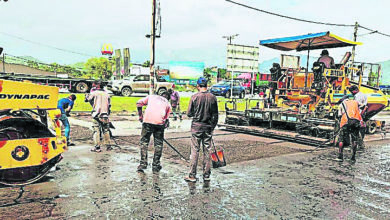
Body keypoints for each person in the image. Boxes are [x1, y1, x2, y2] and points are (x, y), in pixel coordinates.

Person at [184, 77, 219, 182]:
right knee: (207, 151)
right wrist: (212, 127)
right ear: (207, 86)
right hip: (208, 127)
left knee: (195, 150)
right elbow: (215, 115)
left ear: (198, 86)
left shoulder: (194, 97)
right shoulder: (213, 98)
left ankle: (192, 175)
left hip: (196, 127)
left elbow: (189, 113)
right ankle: (206, 175)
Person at [136, 91, 171, 173]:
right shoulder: (167, 104)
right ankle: (155, 165)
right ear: (168, 98)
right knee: (158, 144)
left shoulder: (151, 97)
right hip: (159, 124)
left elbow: (138, 103)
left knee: (144, 142)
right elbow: (166, 120)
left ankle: (143, 164)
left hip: (147, 121)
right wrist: (164, 125)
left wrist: (140, 115)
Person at [85, 81, 112, 153]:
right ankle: (108, 146)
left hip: (96, 114)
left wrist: (86, 96)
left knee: (96, 131)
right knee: (106, 130)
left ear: (98, 85)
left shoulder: (94, 93)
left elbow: (87, 99)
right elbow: (109, 105)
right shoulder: (107, 94)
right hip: (105, 114)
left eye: (94, 84)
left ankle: (97, 147)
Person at [336, 96, 363, 161]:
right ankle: (353, 157)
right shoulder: (356, 102)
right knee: (354, 139)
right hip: (355, 123)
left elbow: (339, 115)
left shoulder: (342, 104)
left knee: (341, 139)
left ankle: (340, 156)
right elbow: (362, 107)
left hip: (345, 123)